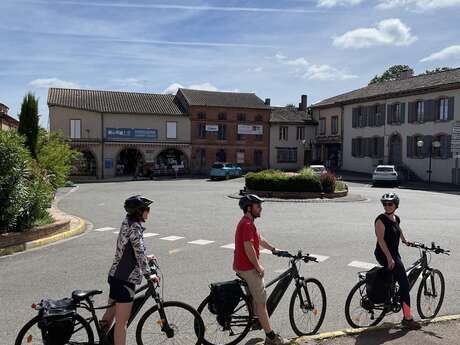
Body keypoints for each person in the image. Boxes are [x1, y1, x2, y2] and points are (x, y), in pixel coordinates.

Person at [100, 195, 157, 345]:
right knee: (122, 323)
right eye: (147, 209)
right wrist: (149, 275)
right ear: (139, 211)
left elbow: (131, 250)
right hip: (125, 280)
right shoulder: (134, 227)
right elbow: (138, 253)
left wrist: (147, 257)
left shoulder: (127, 222)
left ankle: (100, 340)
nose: (148, 212)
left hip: (115, 276)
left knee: (110, 314)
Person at [233, 194, 289, 345]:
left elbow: (259, 238)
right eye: (258, 206)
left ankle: (255, 317)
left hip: (241, 266)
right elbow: (248, 246)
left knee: (255, 299)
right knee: (262, 303)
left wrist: (273, 249)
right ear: (249, 208)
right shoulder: (247, 224)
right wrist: (258, 266)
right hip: (248, 268)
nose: (261, 208)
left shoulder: (247, 223)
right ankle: (271, 338)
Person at [374, 193, 421, 330]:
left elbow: (398, 229)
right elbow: (380, 240)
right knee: (405, 285)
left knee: (397, 277)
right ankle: (407, 319)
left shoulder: (396, 218)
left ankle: (391, 296)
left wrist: (405, 240)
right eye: (385, 204)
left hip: (394, 253)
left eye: (390, 204)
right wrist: (389, 258)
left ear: (396, 205)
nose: (387, 206)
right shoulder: (380, 220)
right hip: (384, 253)